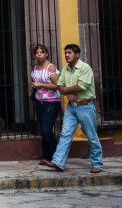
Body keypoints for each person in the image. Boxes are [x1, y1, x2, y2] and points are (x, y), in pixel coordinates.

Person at [43, 44, 104, 173]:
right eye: (65, 53)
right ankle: (58, 162)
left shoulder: (85, 68)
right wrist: (67, 92)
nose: (66, 55)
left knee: (91, 136)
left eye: (69, 53)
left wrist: (66, 90)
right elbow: (59, 84)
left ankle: (97, 164)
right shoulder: (65, 69)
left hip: (85, 106)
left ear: (77, 54)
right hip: (71, 107)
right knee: (65, 134)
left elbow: (82, 85)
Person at [29, 44, 61, 164]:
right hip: (39, 102)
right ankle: (46, 157)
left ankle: (56, 156)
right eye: (37, 52)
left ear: (46, 54)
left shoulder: (50, 68)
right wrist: (34, 85)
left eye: (42, 52)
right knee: (43, 130)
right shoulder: (35, 67)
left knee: (46, 129)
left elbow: (57, 85)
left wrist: (40, 85)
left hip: (51, 103)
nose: (39, 54)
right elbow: (35, 83)